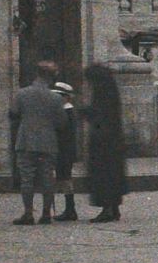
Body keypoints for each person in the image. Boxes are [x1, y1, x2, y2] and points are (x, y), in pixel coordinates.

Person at [8, 61, 69, 225]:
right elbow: (62, 122)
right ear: (51, 78)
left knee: (26, 179)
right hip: (48, 142)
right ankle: (46, 213)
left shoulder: (22, 94)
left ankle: (28, 213)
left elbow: (13, 114)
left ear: (36, 74)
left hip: (26, 141)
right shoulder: (56, 98)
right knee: (48, 178)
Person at [82, 62, 129, 222]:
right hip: (113, 140)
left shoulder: (102, 93)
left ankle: (107, 209)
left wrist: (83, 111)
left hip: (103, 142)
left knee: (103, 175)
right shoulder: (111, 90)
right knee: (112, 174)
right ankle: (114, 207)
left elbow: (99, 115)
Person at [51, 79, 80, 222]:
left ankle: (70, 209)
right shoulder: (66, 110)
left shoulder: (67, 111)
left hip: (64, 150)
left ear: (66, 97)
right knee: (64, 178)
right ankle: (69, 208)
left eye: (59, 96)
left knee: (65, 178)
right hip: (65, 149)